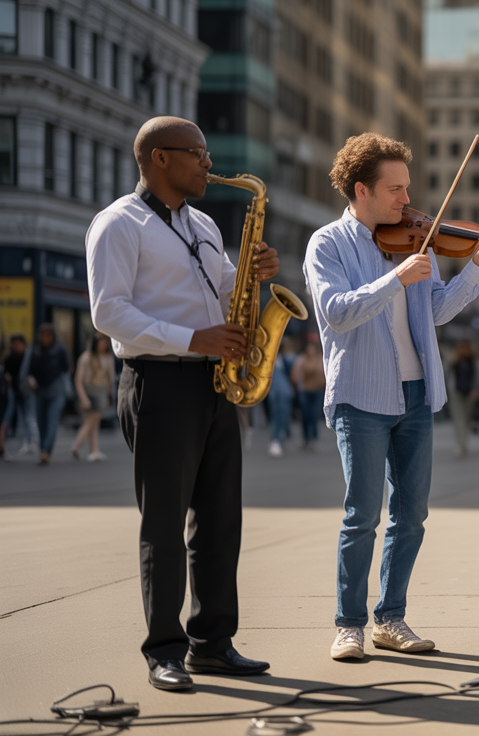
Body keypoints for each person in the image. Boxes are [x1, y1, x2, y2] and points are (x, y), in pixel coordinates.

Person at [304, 132, 479, 661]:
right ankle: (348, 624)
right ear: (361, 190)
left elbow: (437, 310)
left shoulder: (415, 238)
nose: (406, 201)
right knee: (362, 515)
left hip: (417, 392)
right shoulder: (327, 243)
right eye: (395, 190)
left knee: (411, 515)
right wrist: (396, 277)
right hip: (361, 394)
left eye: (407, 189)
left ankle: (390, 618)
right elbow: (337, 312)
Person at [86, 115, 277, 690]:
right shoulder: (118, 224)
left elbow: (224, 283)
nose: (208, 163)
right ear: (158, 158)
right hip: (158, 382)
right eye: (196, 153)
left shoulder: (202, 224)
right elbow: (108, 313)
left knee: (220, 522)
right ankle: (163, 651)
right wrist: (192, 339)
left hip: (214, 383)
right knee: (164, 525)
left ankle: (213, 642)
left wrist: (255, 272)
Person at [18, 323, 71, 465]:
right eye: (43, 335)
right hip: (39, 390)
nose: (46, 338)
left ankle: (46, 451)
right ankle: (42, 449)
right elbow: (26, 370)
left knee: (52, 421)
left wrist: (68, 392)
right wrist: (27, 382)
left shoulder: (60, 349)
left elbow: (67, 369)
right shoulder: (34, 350)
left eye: (49, 335)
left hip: (56, 390)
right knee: (41, 422)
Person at [71, 333, 115, 461]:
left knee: (94, 423)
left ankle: (94, 450)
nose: (103, 345)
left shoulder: (107, 358)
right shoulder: (86, 357)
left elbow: (110, 380)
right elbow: (78, 380)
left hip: (101, 391)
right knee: (91, 421)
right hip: (90, 390)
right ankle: (77, 445)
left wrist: (109, 394)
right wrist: (83, 397)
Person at [446, 339, 479, 458]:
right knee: (460, 420)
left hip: (469, 394)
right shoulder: (454, 361)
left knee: (464, 420)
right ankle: (462, 444)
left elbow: (476, 378)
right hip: (457, 394)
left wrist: (477, 390)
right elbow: (449, 377)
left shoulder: (472, 362)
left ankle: (462, 444)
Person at [291, 340, 326, 451]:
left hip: (317, 390)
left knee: (314, 415)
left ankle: (313, 439)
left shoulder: (320, 359)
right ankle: (306, 438)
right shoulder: (301, 360)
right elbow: (296, 374)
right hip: (305, 390)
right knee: (305, 415)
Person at [265, 343, 295, 457]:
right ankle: (275, 440)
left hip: (283, 393)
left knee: (282, 417)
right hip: (276, 393)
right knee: (277, 417)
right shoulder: (270, 361)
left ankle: (279, 438)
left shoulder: (283, 360)